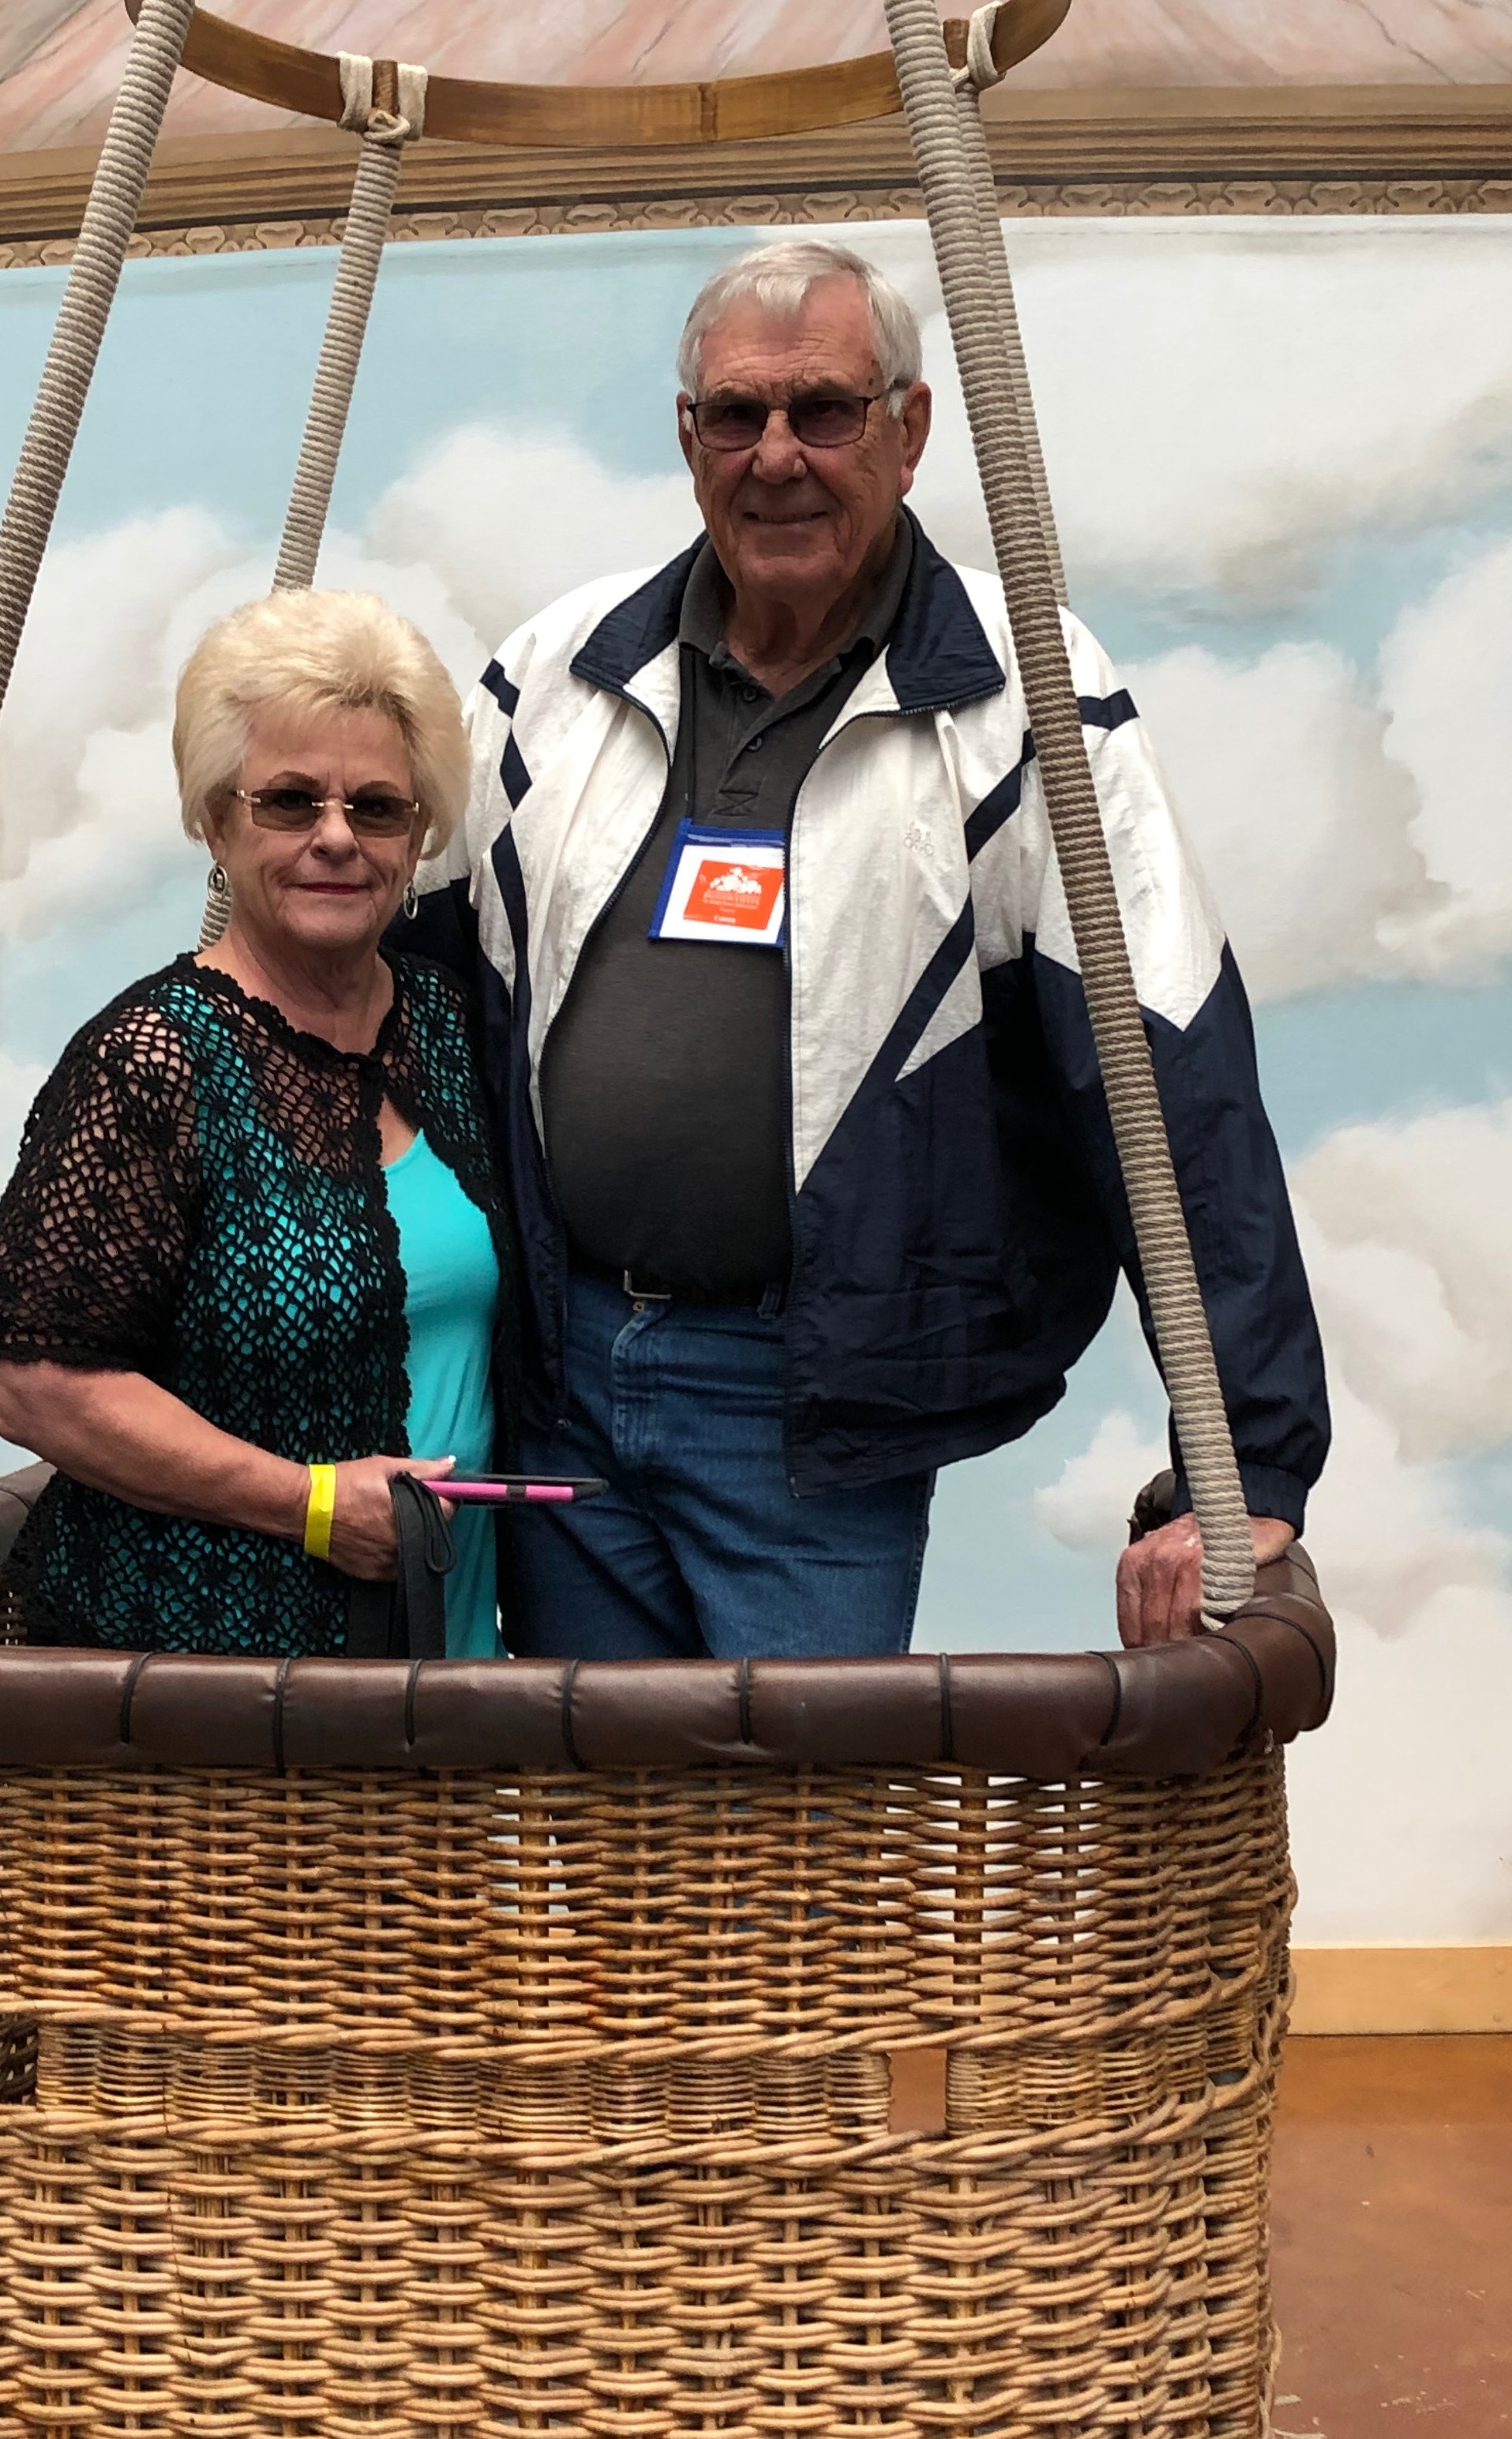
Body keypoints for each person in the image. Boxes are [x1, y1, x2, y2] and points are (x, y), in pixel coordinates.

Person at [418, 235, 1327, 1658]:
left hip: (807, 1402)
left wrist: (1253, 1459)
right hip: (561, 1373)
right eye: (738, 414)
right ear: (689, 437)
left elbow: (1166, 1068)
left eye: (824, 411)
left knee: (810, 1800)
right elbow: (385, 994)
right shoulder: (554, 672)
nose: (777, 455)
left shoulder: (1029, 699)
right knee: (597, 1796)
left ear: (909, 431)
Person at [0, 589, 510, 1657]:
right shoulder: (152, 1062)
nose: (336, 838)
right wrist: (310, 1505)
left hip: (440, 1654)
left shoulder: (444, 1022)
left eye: (377, 808)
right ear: (217, 822)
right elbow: (29, 1382)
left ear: (419, 836)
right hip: (213, 1683)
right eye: (291, 802)